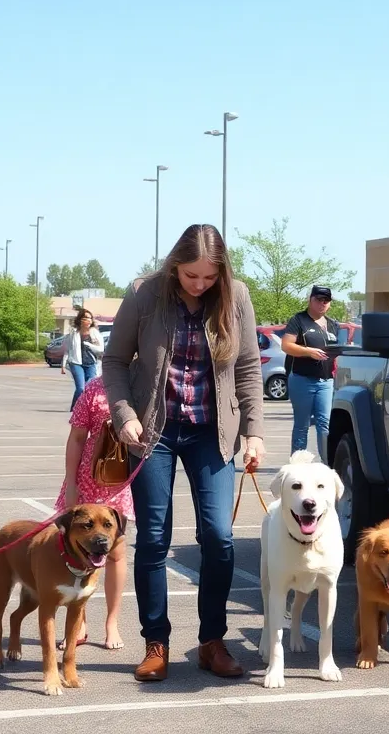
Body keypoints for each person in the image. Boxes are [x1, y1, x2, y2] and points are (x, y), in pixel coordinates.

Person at [101, 223, 265, 683]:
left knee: (219, 536)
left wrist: (253, 432)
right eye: (191, 275)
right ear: (176, 266)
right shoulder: (145, 293)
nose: (200, 284)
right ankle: (156, 643)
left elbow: (249, 367)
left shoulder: (236, 296)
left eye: (209, 277)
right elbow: (114, 361)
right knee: (154, 538)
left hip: (213, 432)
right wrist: (123, 414)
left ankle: (212, 641)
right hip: (152, 432)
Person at [52, 375, 131, 651]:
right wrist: (71, 483)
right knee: (78, 554)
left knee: (116, 553)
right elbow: (76, 437)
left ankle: (112, 622)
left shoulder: (145, 384)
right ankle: (80, 622)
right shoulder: (96, 387)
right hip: (88, 479)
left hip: (122, 480)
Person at [281, 285, 340, 461]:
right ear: (310, 300)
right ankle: (298, 465)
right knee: (302, 424)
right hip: (302, 379)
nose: (323, 303)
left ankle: (327, 464)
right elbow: (286, 345)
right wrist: (308, 351)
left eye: (326, 301)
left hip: (326, 381)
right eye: (319, 300)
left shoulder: (333, 324)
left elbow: (335, 350)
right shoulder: (299, 320)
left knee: (325, 424)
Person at [60, 307, 102, 410]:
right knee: (81, 388)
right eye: (86, 318)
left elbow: (101, 349)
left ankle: (81, 408)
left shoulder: (95, 333)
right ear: (80, 320)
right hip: (76, 363)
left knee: (89, 387)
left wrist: (89, 345)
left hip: (91, 363)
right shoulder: (74, 333)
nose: (89, 320)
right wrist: (63, 364)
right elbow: (68, 349)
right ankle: (76, 409)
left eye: (90, 318)